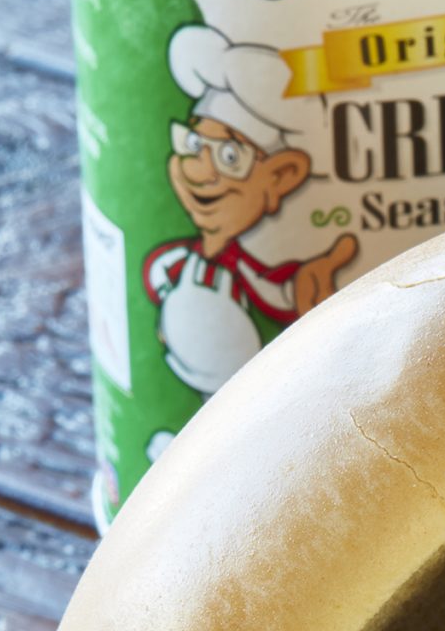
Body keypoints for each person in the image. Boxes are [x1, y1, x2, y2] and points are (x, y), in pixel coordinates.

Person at [145, 24, 357, 422]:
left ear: (281, 176)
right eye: (193, 146)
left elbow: (278, 289)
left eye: (229, 157)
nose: (201, 172)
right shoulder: (172, 260)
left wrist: (311, 285)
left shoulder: (250, 274)